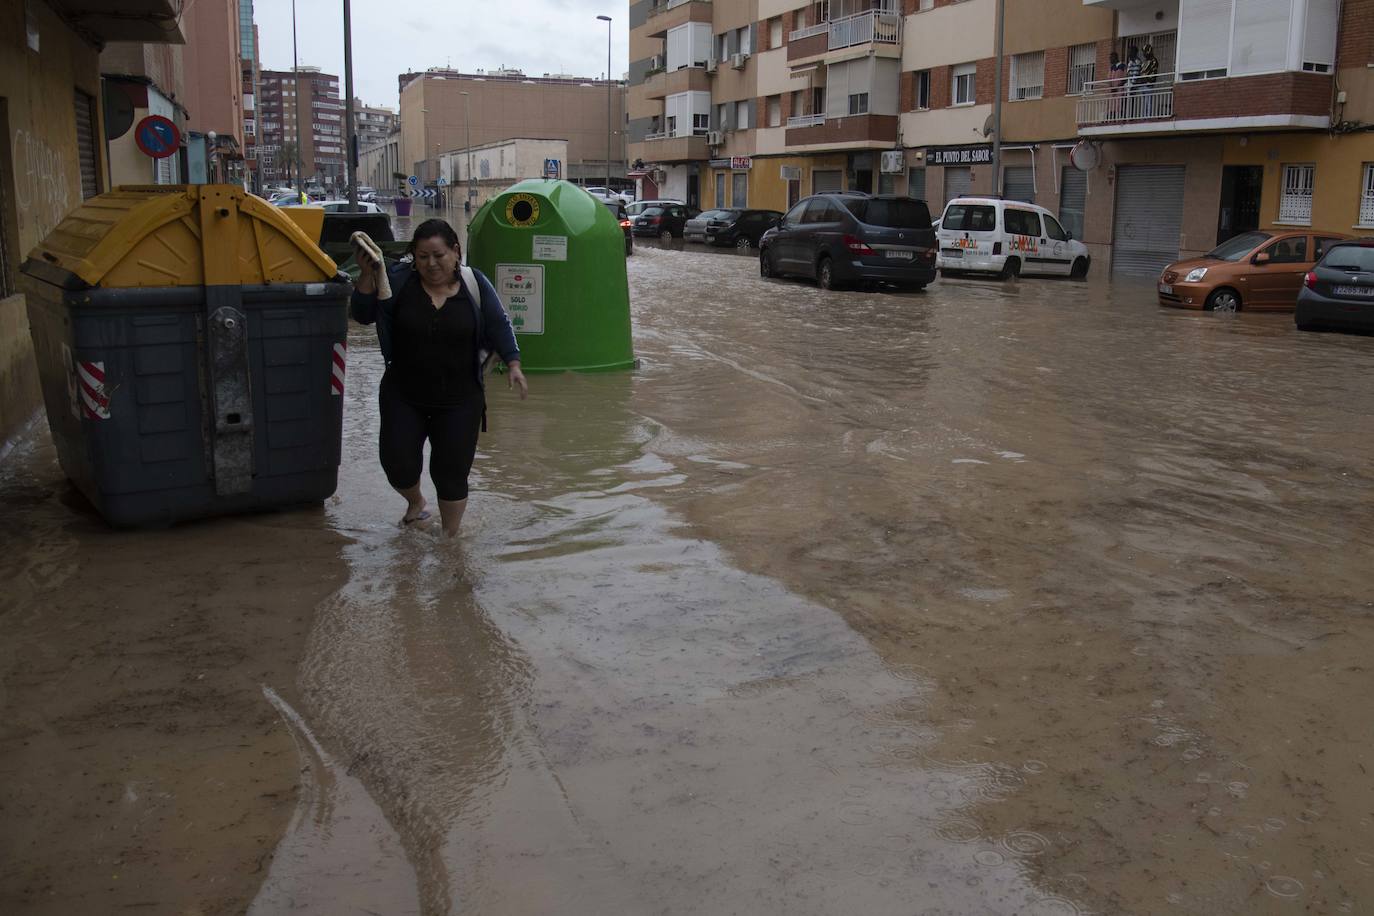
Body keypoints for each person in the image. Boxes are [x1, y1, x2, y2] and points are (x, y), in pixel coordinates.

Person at [350, 219, 528, 537]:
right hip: (403, 394)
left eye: (438, 255)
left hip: (461, 398)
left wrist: (514, 364)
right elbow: (362, 315)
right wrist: (366, 274)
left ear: (455, 252)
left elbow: (499, 322)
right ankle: (416, 503)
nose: (431, 264)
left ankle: (451, 539)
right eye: (422, 257)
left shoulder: (475, 283)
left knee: (451, 473)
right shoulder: (396, 281)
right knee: (398, 466)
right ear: (414, 258)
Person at [1138, 44, 1160, 116]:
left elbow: (1152, 73)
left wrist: (1145, 79)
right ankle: (1143, 116)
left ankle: (1148, 116)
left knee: (1148, 101)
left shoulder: (1153, 61)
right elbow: (1141, 72)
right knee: (1143, 102)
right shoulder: (1144, 62)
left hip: (1148, 84)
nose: (1143, 54)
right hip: (1142, 84)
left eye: (1144, 52)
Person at [1125, 47, 1142, 118]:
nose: (1129, 54)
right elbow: (1128, 73)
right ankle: (1126, 116)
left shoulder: (1137, 61)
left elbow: (1136, 73)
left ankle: (1131, 116)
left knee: (1132, 101)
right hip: (1129, 84)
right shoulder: (1130, 61)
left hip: (1133, 85)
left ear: (1134, 53)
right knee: (1126, 101)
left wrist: (1132, 85)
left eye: (1130, 52)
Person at [1109, 51, 1127, 119]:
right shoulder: (1112, 67)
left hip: (1120, 89)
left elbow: (1125, 78)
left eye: (1111, 58)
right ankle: (1112, 117)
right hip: (1113, 90)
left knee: (1119, 104)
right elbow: (1109, 79)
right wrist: (1111, 87)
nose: (1110, 59)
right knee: (1112, 104)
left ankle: (1120, 117)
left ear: (1115, 57)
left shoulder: (1122, 65)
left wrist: (1117, 86)